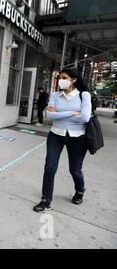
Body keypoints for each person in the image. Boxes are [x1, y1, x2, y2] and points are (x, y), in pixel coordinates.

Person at [33, 68, 92, 213]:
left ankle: (80, 190)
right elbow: (49, 115)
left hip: (77, 138)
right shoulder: (55, 95)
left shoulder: (84, 95)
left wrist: (59, 113)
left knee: (75, 170)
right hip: (55, 135)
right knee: (50, 167)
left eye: (64, 78)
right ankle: (45, 200)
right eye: (59, 78)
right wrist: (72, 113)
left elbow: (85, 117)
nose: (61, 80)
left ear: (73, 80)